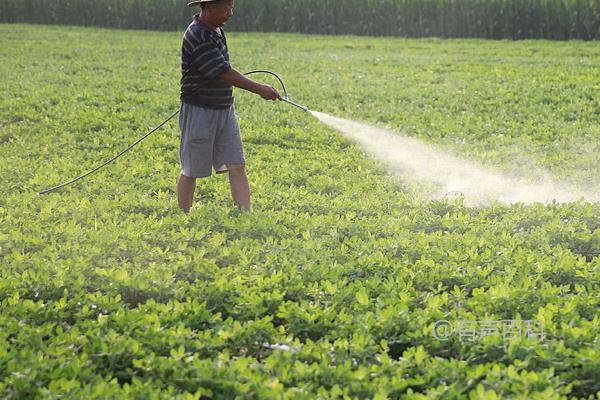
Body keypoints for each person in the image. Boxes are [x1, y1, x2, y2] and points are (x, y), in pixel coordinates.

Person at [178, 0, 281, 213]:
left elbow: (223, 70)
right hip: (200, 109)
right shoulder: (198, 34)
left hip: (224, 108)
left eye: (232, 8)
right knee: (192, 169)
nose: (230, 13)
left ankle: (245, 214)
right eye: (226, 8)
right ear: (208, 7)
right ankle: (183, 216)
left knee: (237, 164)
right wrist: (260, 89)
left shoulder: (216, 30)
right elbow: (223, 72)